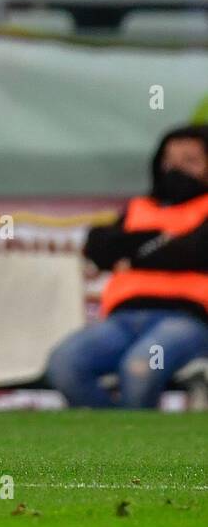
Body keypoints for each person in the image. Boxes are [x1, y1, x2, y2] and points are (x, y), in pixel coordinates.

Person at [47, 125, 208, 408]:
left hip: (186, 320)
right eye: (169, 160)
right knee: (64, 364)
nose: (175, 169)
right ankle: (117, 443)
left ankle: (137, 448)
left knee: (140, 367)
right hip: (123, 319)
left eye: (190, 161)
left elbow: (193, 251)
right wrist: (158, 241)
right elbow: (97, 246)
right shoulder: (139, 207)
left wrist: (130, 253)